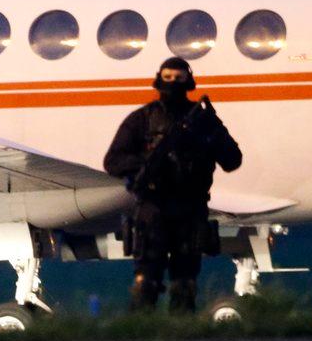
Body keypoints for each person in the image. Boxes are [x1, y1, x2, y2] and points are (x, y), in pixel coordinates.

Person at [103, 57, 242, 313]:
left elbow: (233, 160)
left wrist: (210, 136)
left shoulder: (203, 120)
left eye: (178, 78)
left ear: (188, 81)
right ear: (159, 79)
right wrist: (147, 165)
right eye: (168, 78)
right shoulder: (142, 120)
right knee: (146, 284)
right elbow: (113, 161)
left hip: (190, 210)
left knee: (185, 285)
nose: (173, 84)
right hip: (153, 210)